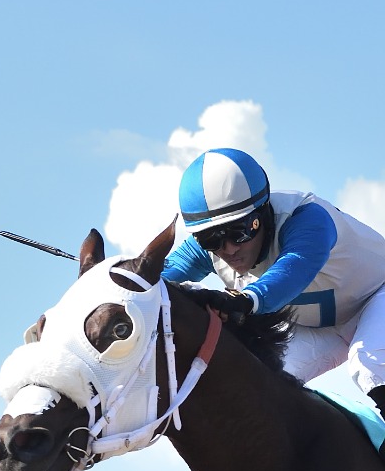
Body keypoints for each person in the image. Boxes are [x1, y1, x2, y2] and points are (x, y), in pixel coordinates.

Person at [162, 148, 385, 427]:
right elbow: (154, 278)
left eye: (241, 231)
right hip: (318, 328)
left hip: (377, 295)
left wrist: (243, 300)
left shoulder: (307, 218)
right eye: (210, 239)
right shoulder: (211, 248)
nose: (228, 248)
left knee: (369, 363)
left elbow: (293, 269)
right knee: (255, 383)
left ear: (263, 212)